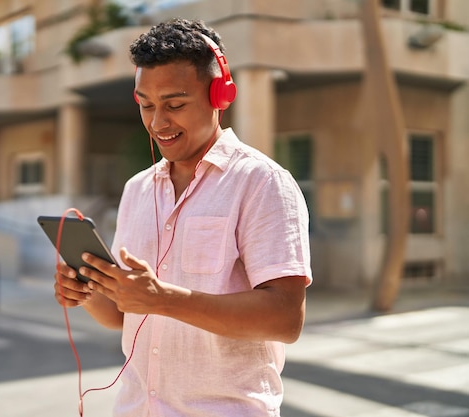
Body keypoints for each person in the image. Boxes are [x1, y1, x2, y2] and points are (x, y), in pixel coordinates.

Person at [55, 18, 312, 417]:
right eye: (146, 105)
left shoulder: (263, 183)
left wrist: (164, 299)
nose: (158, 123)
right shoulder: (137, 190)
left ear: (220, 95)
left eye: (174, 105)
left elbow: (285, 318)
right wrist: (87, 293)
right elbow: (122, 315)